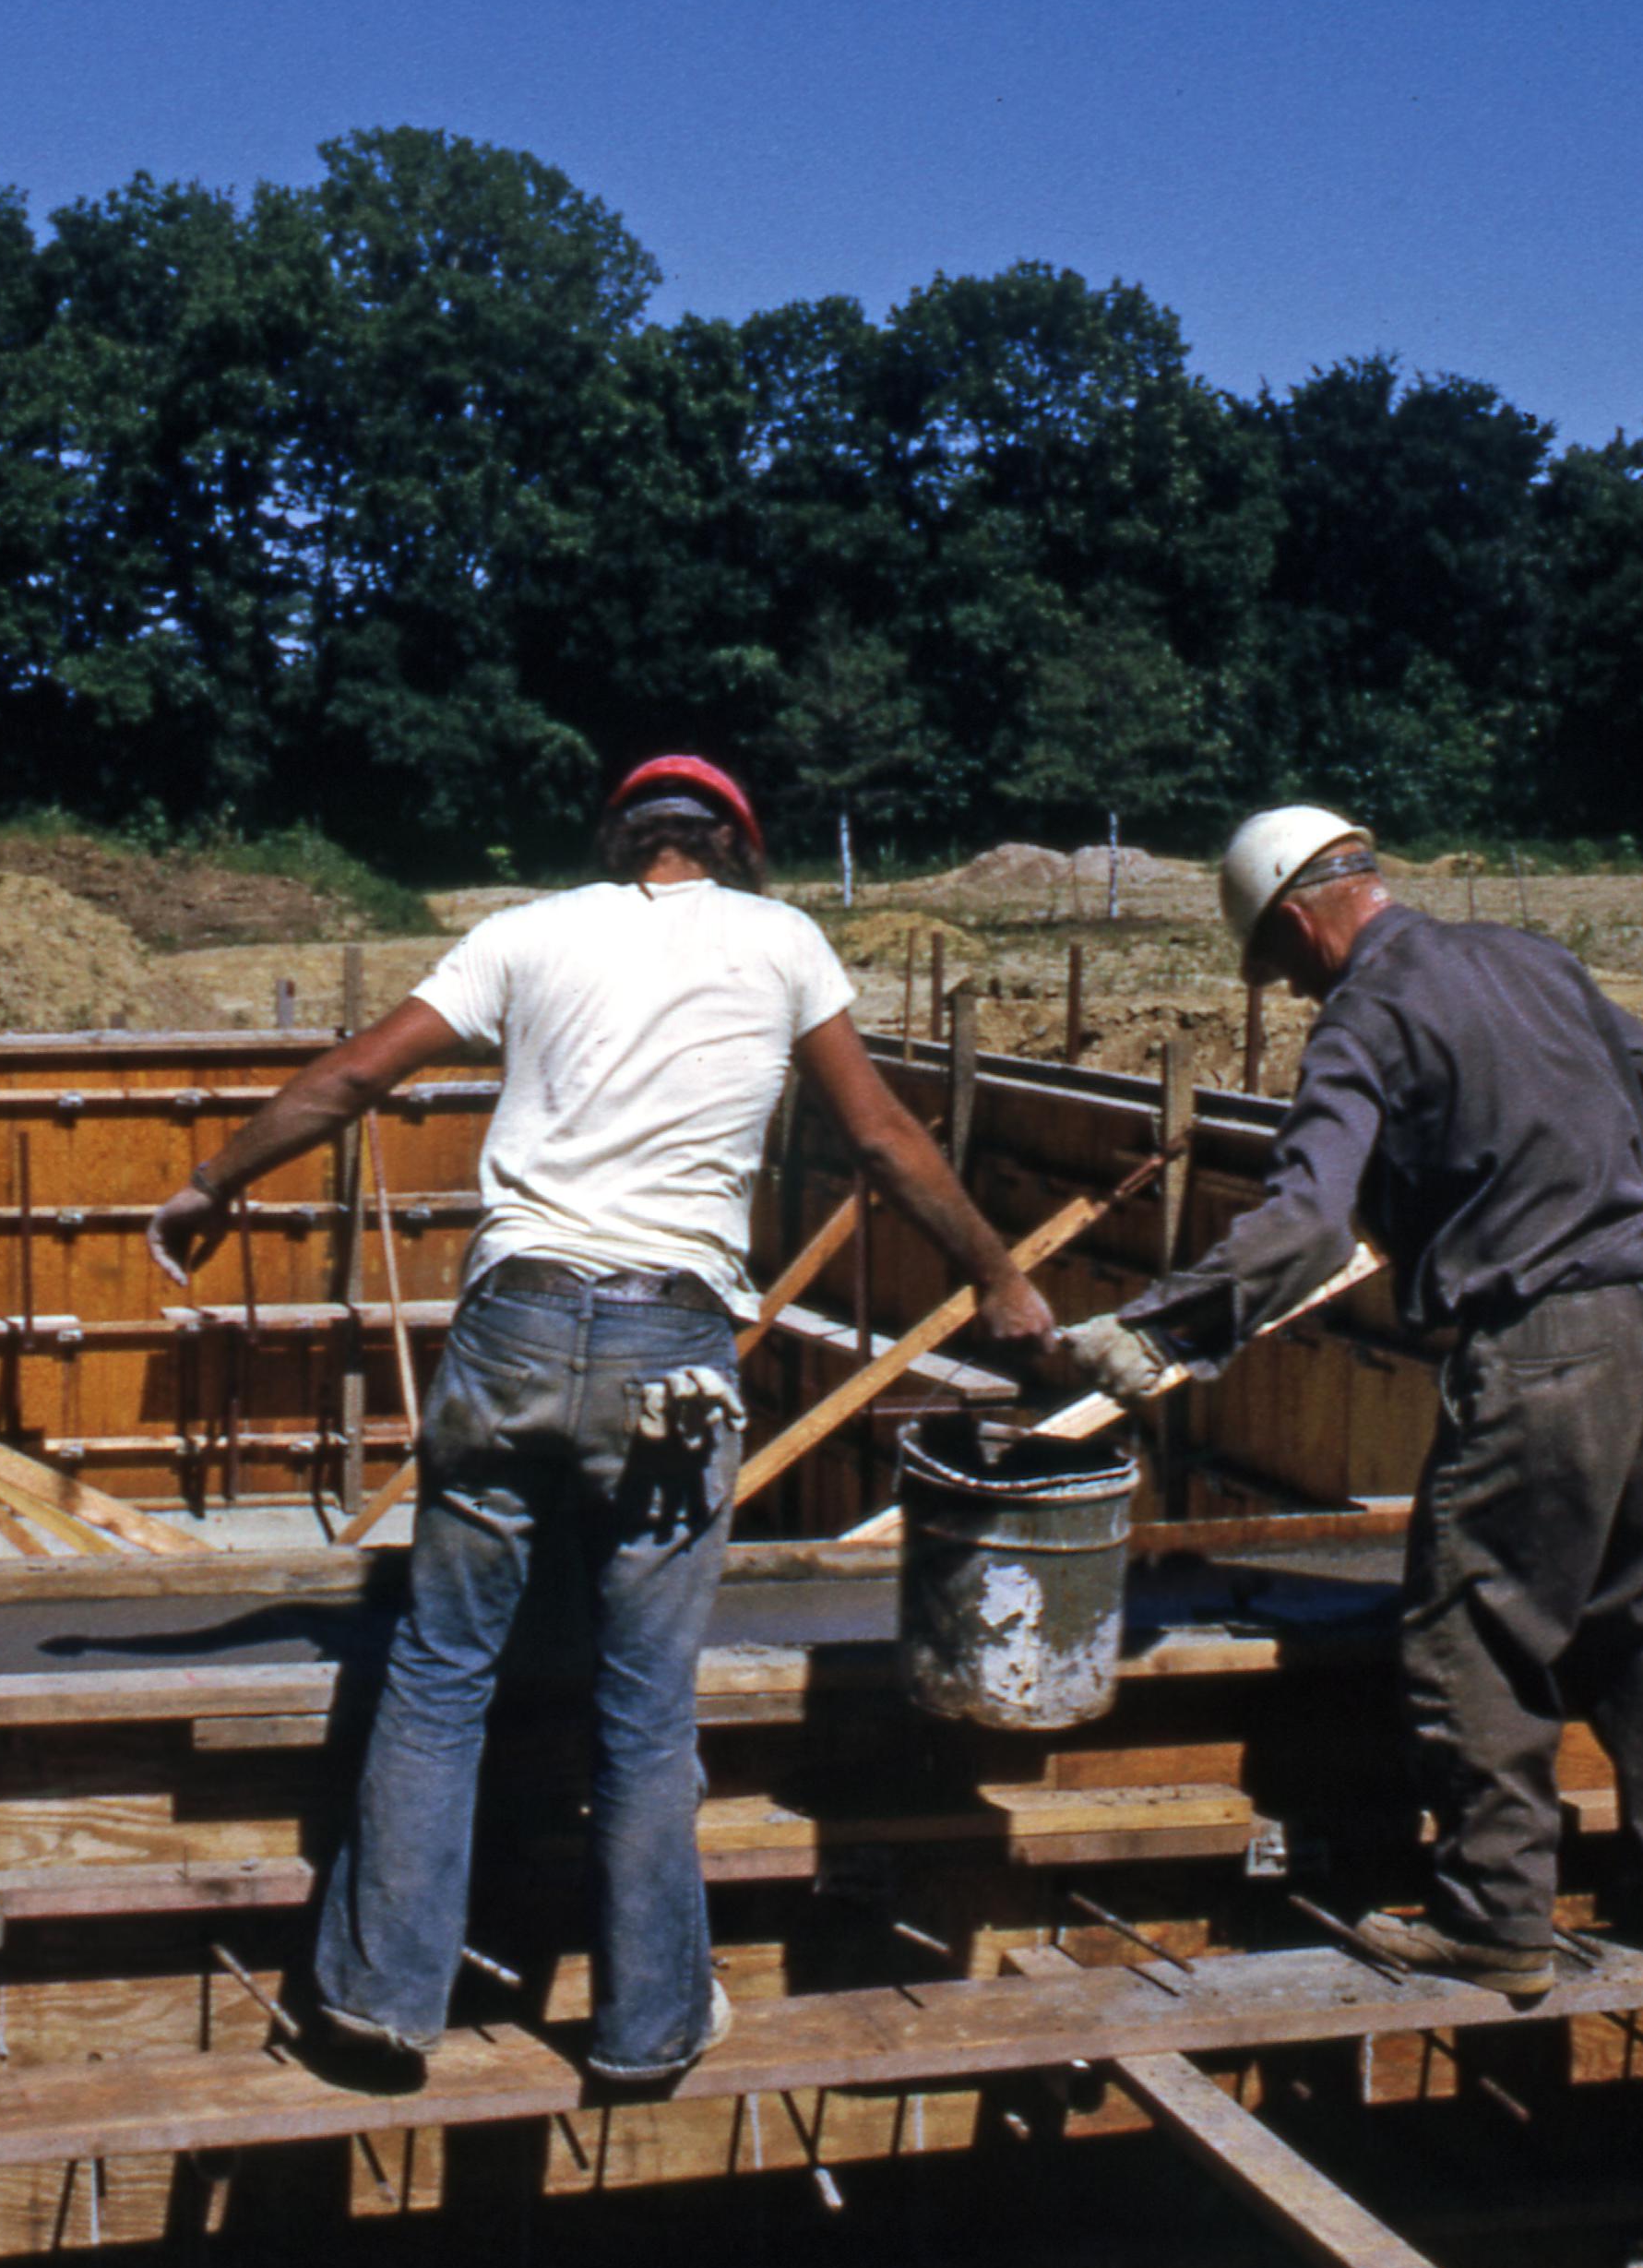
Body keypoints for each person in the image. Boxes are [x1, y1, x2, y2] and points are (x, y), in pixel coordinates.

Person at [149, 755, 1060, 2082]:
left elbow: (351, 1078)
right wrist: (996, 1275)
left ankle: (379, 2000)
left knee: (440, 1670)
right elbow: (880, 1139)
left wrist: (212, 1182)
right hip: (668, 1343)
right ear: (732, 847)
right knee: (643, 1704)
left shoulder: (527, 934)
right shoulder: (781, 942)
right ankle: (645, 2029)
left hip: (513, 1325)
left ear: (619, 841)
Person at [1062, 806, 1643, 2002]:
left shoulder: (1365, 1014)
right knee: (1640, 1611)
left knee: (1475, 1626)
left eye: (1279, 964)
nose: (1292, 990)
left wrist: (1160, 1330)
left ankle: (1496, 1919)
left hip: (1544, 1349)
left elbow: (1308, 1225)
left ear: (1297, 919)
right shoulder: (1530, 958)